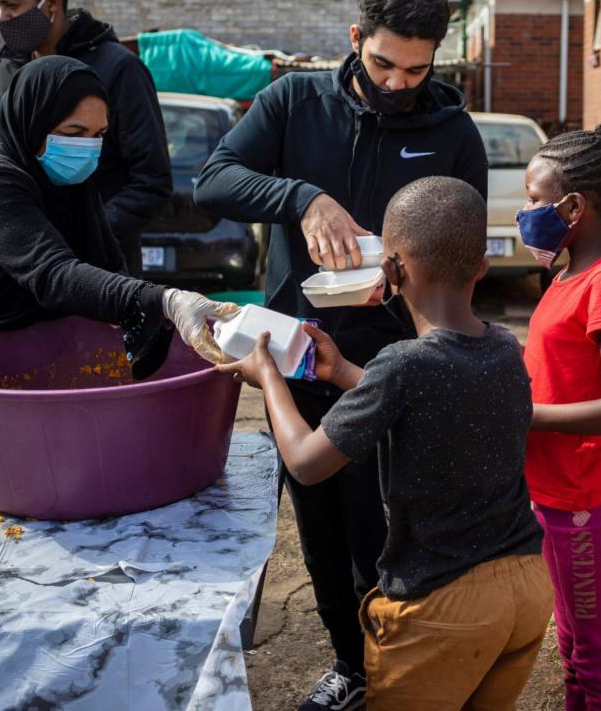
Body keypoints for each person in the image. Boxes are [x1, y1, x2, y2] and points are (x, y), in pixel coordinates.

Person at [195, 0, 488, 709]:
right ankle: (349, 667)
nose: (398, 84)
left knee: (390, 527)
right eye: (384, 62)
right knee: (321, 523)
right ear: (356, 39)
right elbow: (213, 180)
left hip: (399, 359)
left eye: (418, 70)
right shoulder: (296, 102)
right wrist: (302, 198)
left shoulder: (451, 131)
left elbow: (464, 243)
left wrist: (416, 280)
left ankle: (405, 666)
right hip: (299, 351)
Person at [218, 177, 551, 710]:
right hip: (527, 587)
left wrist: (270, 376)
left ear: (391, 270)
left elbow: (305, 464)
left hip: (443, 604)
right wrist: (346, 371)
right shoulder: (505, 346)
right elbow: (432, 396)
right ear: (482, 266)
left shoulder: (402, 363)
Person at [0, 57, 234, 434]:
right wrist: (163, 300)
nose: (87, 148)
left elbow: (104, 269)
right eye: (74, 131)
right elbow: (54, 273)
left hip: (10, 364)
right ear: (34, 119)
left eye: (98, 135)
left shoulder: (62, 178)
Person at [518, 126, 601, 709]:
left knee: (598, 661)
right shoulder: (567, 274)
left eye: (532, 198)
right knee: (573, 650)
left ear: (573, 206)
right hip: (560, 494)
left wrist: (522, 416)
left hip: (588, 500)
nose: (524, 212)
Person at [0, 0, 170, 277]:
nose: (1, 18)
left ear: (51, 4)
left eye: (11, 5)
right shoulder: (0, 75)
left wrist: (87, 234)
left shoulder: (118, 69)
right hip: (21, 268)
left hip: (103, 270)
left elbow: (151, 181)